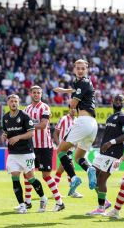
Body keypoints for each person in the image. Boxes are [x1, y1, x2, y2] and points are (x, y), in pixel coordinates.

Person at [53, 59, 98, 196]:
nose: (80, 70)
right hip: (93, 125)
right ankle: (90, 169)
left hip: (83, 121)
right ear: (74, 69)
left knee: (61, 150)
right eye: (78, 68)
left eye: (82, 68)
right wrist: (65, 90)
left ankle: (74, 178)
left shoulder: (83, 82)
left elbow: (73, 104)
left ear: (87, 69)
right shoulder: (84, 83)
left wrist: (68, 97)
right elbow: (77, 90)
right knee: (79, 157)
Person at [3, 94, 48, 214]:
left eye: (16, 101)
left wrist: (18, 137)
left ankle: (43, 198)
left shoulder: (24, 116)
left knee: (30, 178)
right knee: (15, 178)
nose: (14, 103)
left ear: (18, 103)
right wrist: (4, 135)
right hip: (12, 153)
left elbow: (32, 132)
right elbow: (6, 132)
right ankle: (22, 205)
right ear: (8, 103)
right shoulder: (5, 117)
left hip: (26, 152)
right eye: (12, 101)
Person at [87, 94, 124, 215]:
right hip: (103, 152)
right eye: (116, 99)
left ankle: (101, 208)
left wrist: (110, 143)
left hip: (114, 152)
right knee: (92, 173)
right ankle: (104, 202)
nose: (118, 101)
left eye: (120, 100)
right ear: (112, 101)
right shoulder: (110, 117)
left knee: (102, 179)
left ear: (123, 103)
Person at [25, 85, 64, 211]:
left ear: (41, 94)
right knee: (27, 174)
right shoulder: (26, 109)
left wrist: (28, 126)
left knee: (46, 175)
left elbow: (42, 125)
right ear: (30, 94)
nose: (36, 94)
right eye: (34, 92)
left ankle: (59, 202)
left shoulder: (45, 107)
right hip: (31, 146)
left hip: (44, 146)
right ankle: (27, 202)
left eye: (38, 93)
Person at [53, 107, 83, 198]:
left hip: (71, 149)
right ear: (69, 109)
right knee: (71, 167)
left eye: (75, 109)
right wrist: (59, 145)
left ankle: (55, 190)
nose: (73, 110)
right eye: (71, 108)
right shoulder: (63, 119)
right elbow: (55, 133)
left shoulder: (78, 121)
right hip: (63, 149)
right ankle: (72, 191)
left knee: (61, 169)